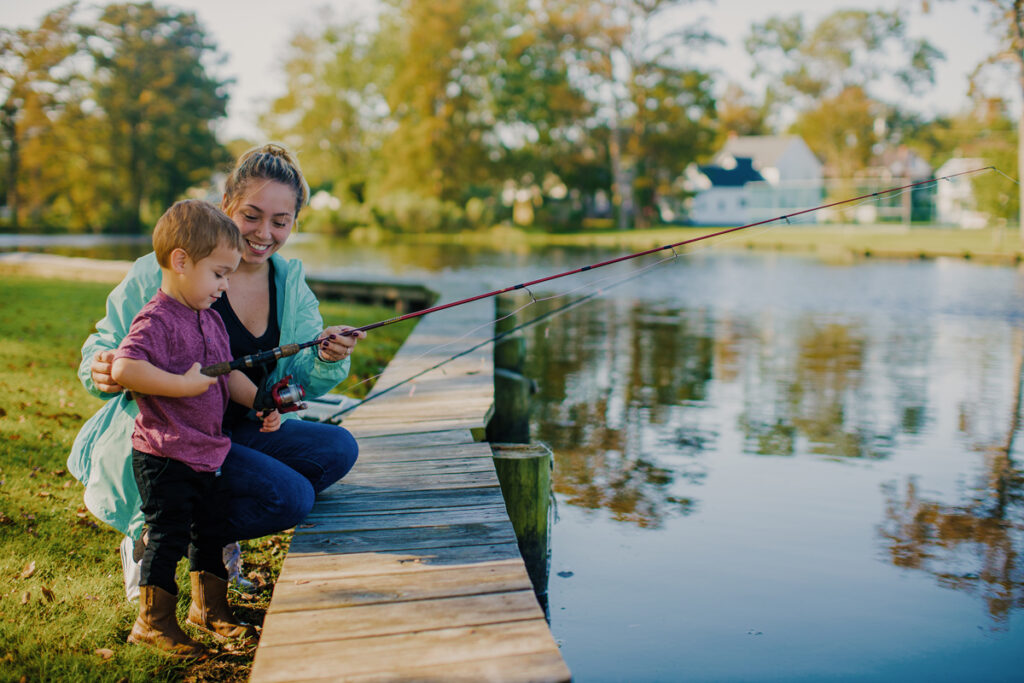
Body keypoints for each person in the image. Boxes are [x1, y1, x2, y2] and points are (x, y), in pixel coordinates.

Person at [68, 143, 365, 602]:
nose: (264, 233)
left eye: (280, 221)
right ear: (226, 205)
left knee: (337, 449)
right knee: (291, 498)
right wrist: (101, 369)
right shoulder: (167, 265)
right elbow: (105, 347)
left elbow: (300, 379)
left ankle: (194, 523)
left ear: (293, 223)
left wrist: (327, 356)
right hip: (174, 436)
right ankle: (157, 532)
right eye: (252, 215)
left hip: (240, 428)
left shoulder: (289, 281)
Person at [113, 199, 272, 655]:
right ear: (181, 261)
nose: (225, 285)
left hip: (208, 451)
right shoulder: (156, 318)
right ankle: (153, 622)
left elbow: (228, 374)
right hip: (164, 454)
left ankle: (209, 610)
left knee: (213, 531)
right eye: (219, 273)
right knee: (167, 538)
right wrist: (181, 387)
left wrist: (260, 402)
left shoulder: (210, 318)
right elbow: (125, 368)